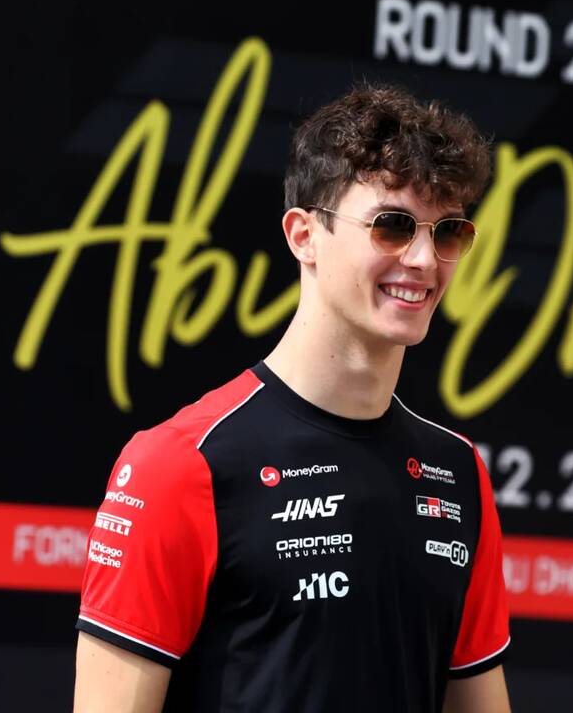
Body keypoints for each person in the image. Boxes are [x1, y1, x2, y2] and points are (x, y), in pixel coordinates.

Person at [72, 83, 512, 712]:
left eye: (448, 233)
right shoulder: (180, 463)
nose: (423, 259)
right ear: (304, 235)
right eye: (392, 226)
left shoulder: (457, 472)